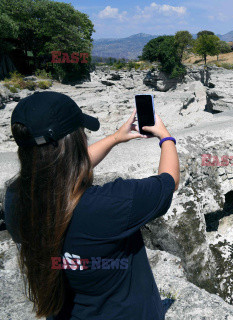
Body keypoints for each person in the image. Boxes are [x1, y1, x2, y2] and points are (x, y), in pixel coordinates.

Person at [3, 91, 180, 320]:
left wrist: (116, 137)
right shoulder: (111, 203)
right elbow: (169, 181)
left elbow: (59, 170)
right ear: (76, 142)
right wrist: (166, 138)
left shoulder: (15, 199)